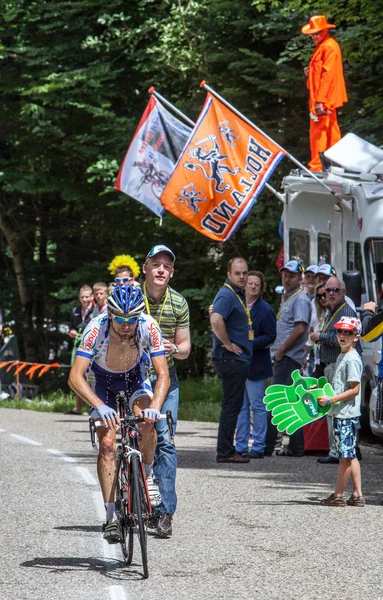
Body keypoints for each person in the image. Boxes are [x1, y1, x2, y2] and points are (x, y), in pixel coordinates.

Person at [68, 284, 170, 543]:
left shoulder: (148, 326)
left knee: (147, 425)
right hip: (102, 381)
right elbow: (74, 377)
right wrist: (99, 406)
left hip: (135, 376)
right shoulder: (95, 328)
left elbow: (163, 375)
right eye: (121, 319)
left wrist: (155, 408)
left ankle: (148, 477)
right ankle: (111, 516)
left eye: (131, 319)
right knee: (108, 445)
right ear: (110, 314)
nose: (126, 325)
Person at [142, 244, 191, 538]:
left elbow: (185, 348)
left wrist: (176, 348)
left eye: (167, 266)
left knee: (165, 440)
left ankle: (164, 513)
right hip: (134, 376)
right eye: (157, 264)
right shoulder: (132, 297)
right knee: (136, 435)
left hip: (165, 377)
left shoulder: (178, 302)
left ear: (171, 273)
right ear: (145, 267)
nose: (161, 270)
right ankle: (132, 501)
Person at [310, 276, 361, 463]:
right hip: (332, 364)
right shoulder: (332, 310)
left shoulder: (345, 311)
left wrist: (319, 337)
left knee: (337, 407)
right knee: (337, 408)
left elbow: (340, 340)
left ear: (344, 293)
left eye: (335, 290)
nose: (330, 294)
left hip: (339, 366)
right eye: (327, 291)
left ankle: (337, 451)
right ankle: (345, 448)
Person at [264, 260, 312, 457]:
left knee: (274, 401)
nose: (287, 278)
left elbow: (300, 328)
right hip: (286, 357)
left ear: (300, 278)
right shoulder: (289, 297)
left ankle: (266, 447)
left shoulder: (300, 299)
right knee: (291, 402)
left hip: (287, 357)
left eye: (291, 275)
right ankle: (295, 446)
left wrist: (281, 350)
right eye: (284, 274)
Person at [318, 316, 364, 507]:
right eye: (339, 331)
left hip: (345, 415)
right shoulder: (341, 355)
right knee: (350, 454)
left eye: (348, 332)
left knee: (343, 457)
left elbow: (355, 389)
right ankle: (357, 495)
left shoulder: (352, 358)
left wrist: (331, 400)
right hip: (342, 413)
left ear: (356, 336)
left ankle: (338, 496)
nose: (342, 335)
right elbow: (340, 386)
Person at [211, 257, 252, 464]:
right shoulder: (227, 294)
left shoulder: (236, 293)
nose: (242, 277)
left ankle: (227, 449)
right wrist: (226, 343)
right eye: (237, 273)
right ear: (229, 274)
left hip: (236, 359)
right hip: (231, 358)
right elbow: (216, 319)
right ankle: (225, 451)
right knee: (231, 406)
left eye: (245, 273)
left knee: (233, 405)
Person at [235, 271, 276, 458]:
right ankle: (240, 445)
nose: (252, 287)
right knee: (241, 407)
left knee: (257, 407)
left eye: (256, 284)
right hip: (239, 364)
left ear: (261, 288)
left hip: (257, 366)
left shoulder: (265, 309)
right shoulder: (237, 305)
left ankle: (259, 446)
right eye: (250, 283)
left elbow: (271, 336)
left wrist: (250, 343)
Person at [302, 15, 348, 172]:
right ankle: (339, 163)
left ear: (325, 31)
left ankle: (317, 166)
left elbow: (328, 76)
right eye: (313, 34)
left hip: (323, 99)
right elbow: (322, 72)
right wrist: (311, 71)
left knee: (319, 132)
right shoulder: (324, 45)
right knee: (331, 131)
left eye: (318, 33)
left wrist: (320, 101)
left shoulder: (328, 46)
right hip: (324, 97)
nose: (314, 36)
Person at [66, 285, 95, 415]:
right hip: (79, 346)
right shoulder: (75, 311)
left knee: (92, 376)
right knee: (78, 374)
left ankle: (93, 406)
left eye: (87, 297)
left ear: (92, 297)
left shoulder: (96, 311)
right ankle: (78, 407)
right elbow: (71, 326)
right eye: (82, 297)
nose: (85, 299)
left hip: (93, 347)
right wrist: (71, 332)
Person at [303, 282, 329, 376]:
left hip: (330, 359)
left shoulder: (334, 313)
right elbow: (310, 337)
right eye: (319, 296)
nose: (322, 298)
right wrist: (305, 356)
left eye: (324, 295)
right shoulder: (316, 313)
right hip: (318, 358)